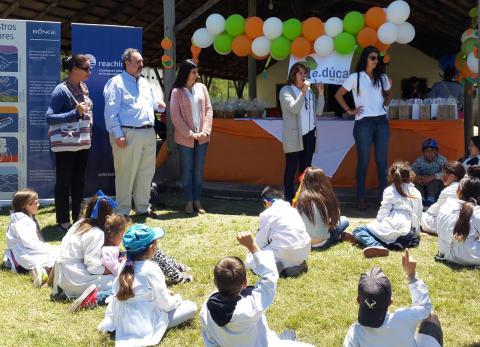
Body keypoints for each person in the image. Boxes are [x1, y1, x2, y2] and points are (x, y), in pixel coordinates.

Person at [200, 231, 314, 347]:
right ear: (245, 283)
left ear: (215, 282)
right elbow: (270, 276)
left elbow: (210, 341)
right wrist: (252, 245)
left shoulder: (206, 309)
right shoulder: (251, 306)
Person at [98, 223, 197, 346]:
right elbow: (165, 305)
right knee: (191, 306)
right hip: (143, 324)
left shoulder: (124, 265)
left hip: (121, 321)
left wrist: (165, 293)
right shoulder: (151, 268)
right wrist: (177, 298)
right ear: (151, 248)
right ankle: (158, 327)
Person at [103, 48, 166, 218]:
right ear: (127, 63)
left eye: (142, 61)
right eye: (138, 62)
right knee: (126, 173)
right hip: (127, 133)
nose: (141, 64)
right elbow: (110, 112)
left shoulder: (145, 82)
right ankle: (123, 211)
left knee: (146, 172)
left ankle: (143, 208)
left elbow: (151, 104)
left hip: (148, 132)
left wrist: (158, 105)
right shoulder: (116, 82)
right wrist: (118, 135)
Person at [343, 250, 443, 347]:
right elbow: (425, 308)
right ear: (391, 301)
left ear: (358, 300)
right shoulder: (403, 318)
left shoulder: (355, 332)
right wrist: (411, 275)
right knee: (432, 317)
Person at [335, 46, 393, 211]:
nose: (376, 61)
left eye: (377, 58)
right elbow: (338, 94)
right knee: (363, 162)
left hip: (381, 122)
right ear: (365, 59)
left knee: (382, 163)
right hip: (363, 123)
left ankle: (384, 199)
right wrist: (349, 111)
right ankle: (360, 198)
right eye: (372, 58)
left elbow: (390, 94)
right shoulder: (355, 77)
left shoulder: (382, 78)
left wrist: (385, 106)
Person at [45, 54, 93, 232]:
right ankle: (63, 220)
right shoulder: (61, 90)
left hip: (82, 142)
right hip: (66, 144)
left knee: (79, 181)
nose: (90, 71)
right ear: (74, 70)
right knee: (64, 182)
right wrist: (73, 113)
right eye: (86, 68)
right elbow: (49, 118)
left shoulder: (84, 87)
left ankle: (78, 218)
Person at [52, 191, 116, 305]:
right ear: (107, 217)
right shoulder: (96, 233)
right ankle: (93, 298)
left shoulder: (78, 224)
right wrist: (111, 270)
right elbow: (93, 268)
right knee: (119, 281)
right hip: (74, 278)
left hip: (62, 278)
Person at [350, 162, 423, 258]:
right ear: (410, 175)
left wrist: (376, 225)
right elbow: (419, 214)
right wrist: (415, 234)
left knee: (359, 230)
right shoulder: (416, 192)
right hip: (410, 233)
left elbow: (383, 213)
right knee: (389, 234)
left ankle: (377, 246)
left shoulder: (390, 190)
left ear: (391, 175)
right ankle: (399, 243)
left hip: (398, 228)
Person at [170, 59, 213, 214]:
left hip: (202, 138)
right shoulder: (177, 92)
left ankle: (197, 201)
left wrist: (205, 131)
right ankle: (188, 202)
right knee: (187, 170)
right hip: (185, 139)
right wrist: (190, 134)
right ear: (185, 72)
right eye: (194, 72)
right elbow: (175, 116)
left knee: (198, 170)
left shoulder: (202, 88)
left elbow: (209, 109)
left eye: (197, 72)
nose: (197, 75)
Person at [279, 62, 325, 203]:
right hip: (294, 136)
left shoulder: (310, 92)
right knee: (291, 167)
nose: (304, 76)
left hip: (310, 134)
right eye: (301, 73)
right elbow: (294, 108)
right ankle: (288, 198)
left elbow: (318, 112)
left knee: (306, 169)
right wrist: (303, 92)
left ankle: (303, 198)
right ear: (293, 75)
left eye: (305, 73)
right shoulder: (286, 90)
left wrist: (321, 94)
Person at [246, 186, 310, 277]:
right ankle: (293, 266)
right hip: (304, 252)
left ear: (266, 202)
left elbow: (260, 243)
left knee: (251, 260)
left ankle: (279, 267)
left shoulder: (267, 214)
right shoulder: (293, 210)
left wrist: (250, 249)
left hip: (287, 252)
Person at [5, 189, 58, 287]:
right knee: (55, 255)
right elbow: (29, 243)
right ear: (25, 206)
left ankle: (42, 271)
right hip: (23, 255)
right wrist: (46, 247)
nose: (38, 205)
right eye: (35, 203)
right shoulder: (22, 221)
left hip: (21, 253)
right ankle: (43, 272)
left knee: (53, 252)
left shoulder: (20, 218)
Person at [294, 167, 352, 250]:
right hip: (321, 243)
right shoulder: (327, 197)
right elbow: (333, 222)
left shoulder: (299, 198)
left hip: (302, 243)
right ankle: (338, 236)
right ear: (323, 180)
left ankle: (338, 236)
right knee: (345, 220)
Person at [436, 170, 480, 266]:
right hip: (467, 256)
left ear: (458, 191)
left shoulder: (446, 204)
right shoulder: (477, 211)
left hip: (444, 251)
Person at [421, 162, 465, 234]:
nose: (442, 177)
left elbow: (437, 210)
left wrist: (425, 213)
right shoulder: (466, 186)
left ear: (452, 176)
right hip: (463, 223)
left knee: (423, 218)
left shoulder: (448, 191)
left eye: (444, 174)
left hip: (452, 223)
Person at [412, 138, 448, 207]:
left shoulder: (442, 160)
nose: (430, 153)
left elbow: (447, 174)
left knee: (435, 182)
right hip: (422, 183)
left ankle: (431, 200)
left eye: (432, 150)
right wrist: (418, 178)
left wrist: (432, 177)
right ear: (424, 152)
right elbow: (411, 172)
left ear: (436, 151)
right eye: (427, 151)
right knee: (414, 182)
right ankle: (420, 199)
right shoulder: (419, 160)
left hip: (436, 185)